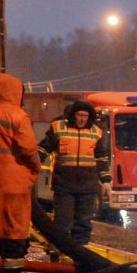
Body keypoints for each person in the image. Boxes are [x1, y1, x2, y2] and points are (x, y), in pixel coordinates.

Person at [0, 73, 41, 273]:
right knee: (14, 227)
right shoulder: (18, 116)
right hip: (14, 181)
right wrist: (36, 166)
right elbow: (28, 148)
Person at [40, 99, 106, 253]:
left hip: (88, 186)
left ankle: (80, 254)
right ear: (73, 115)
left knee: (83, 222)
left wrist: (106, 181)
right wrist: (32, 166)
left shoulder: (96, 132)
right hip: (64, 185)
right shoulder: (59, 128)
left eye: (85, 115)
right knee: (63, 221)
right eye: (79, 115)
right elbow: (43, 149)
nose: (82, 119)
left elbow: (101, 158)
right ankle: (58, 251)